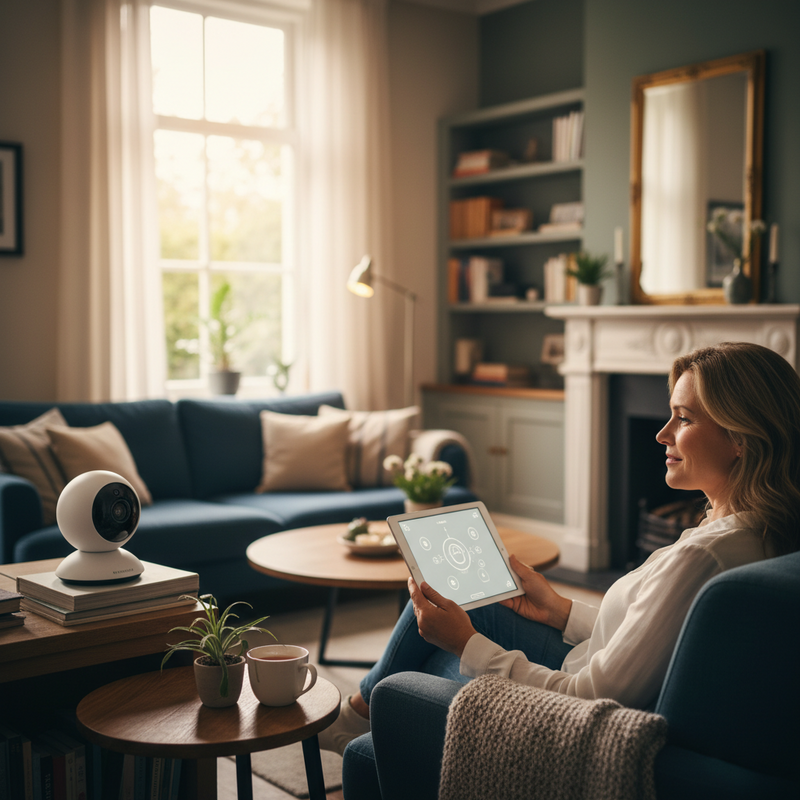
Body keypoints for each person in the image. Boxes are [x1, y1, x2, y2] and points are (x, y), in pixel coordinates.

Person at [323, 342, 800, 773]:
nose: (662, 434)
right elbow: (657, 636)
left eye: (684, 418)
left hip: (585, 712)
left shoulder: (705, 557)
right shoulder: (756, 529)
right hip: (588, 661)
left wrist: (466, 645)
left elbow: (592, 698)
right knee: (472, 594)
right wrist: (559, 608)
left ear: (741, 438)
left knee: (422, 661)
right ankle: (362, 716)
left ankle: (368, 720)